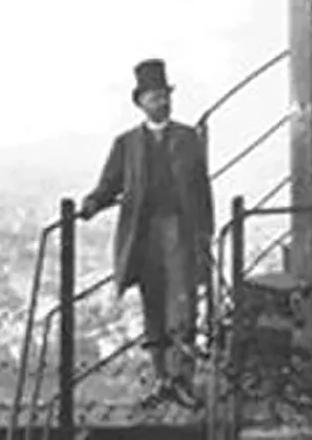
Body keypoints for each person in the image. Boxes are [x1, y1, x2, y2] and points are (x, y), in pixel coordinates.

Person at [79, 59, 213, 409]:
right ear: (140, 103)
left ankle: (183, 380)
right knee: (153, 307)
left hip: (180, 232)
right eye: (154, 97)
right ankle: (162, 378)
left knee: (183, 307)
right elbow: (110, 183)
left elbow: (202, 190)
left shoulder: (188, 138)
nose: (162, 102)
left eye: (165, 96)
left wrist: (205, 234)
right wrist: (93, 202)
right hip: (144, 236)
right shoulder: (126, 144)